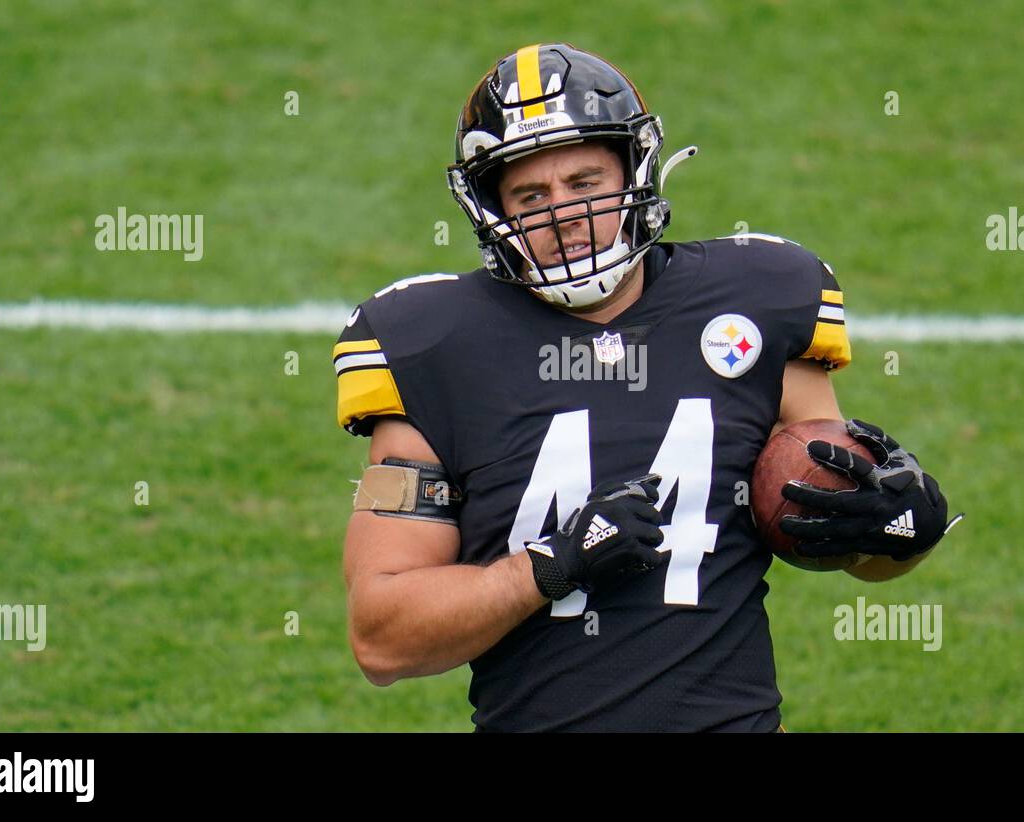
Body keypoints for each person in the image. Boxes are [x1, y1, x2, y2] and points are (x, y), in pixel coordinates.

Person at [334, 43, 960, 732]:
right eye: (531, 195)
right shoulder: (429, 344)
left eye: (583, 184)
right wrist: (551, 565)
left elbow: (827, 528)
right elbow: (383, 636)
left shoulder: (759, 298)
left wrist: (902, 531)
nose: (563, 216)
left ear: (636, 171)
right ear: (490, 208)